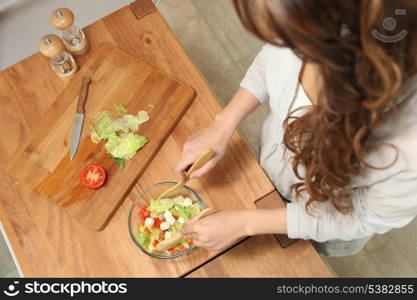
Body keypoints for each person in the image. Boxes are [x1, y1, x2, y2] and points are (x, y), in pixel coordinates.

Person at [178, 0, 417, 256]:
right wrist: (222, 124)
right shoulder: (309, 25)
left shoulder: (408, 145)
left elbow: (364, 217)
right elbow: (272, 55)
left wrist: (247, 223)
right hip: (270, 173)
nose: (284, 45)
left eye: (294, 40)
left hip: (323, 220)